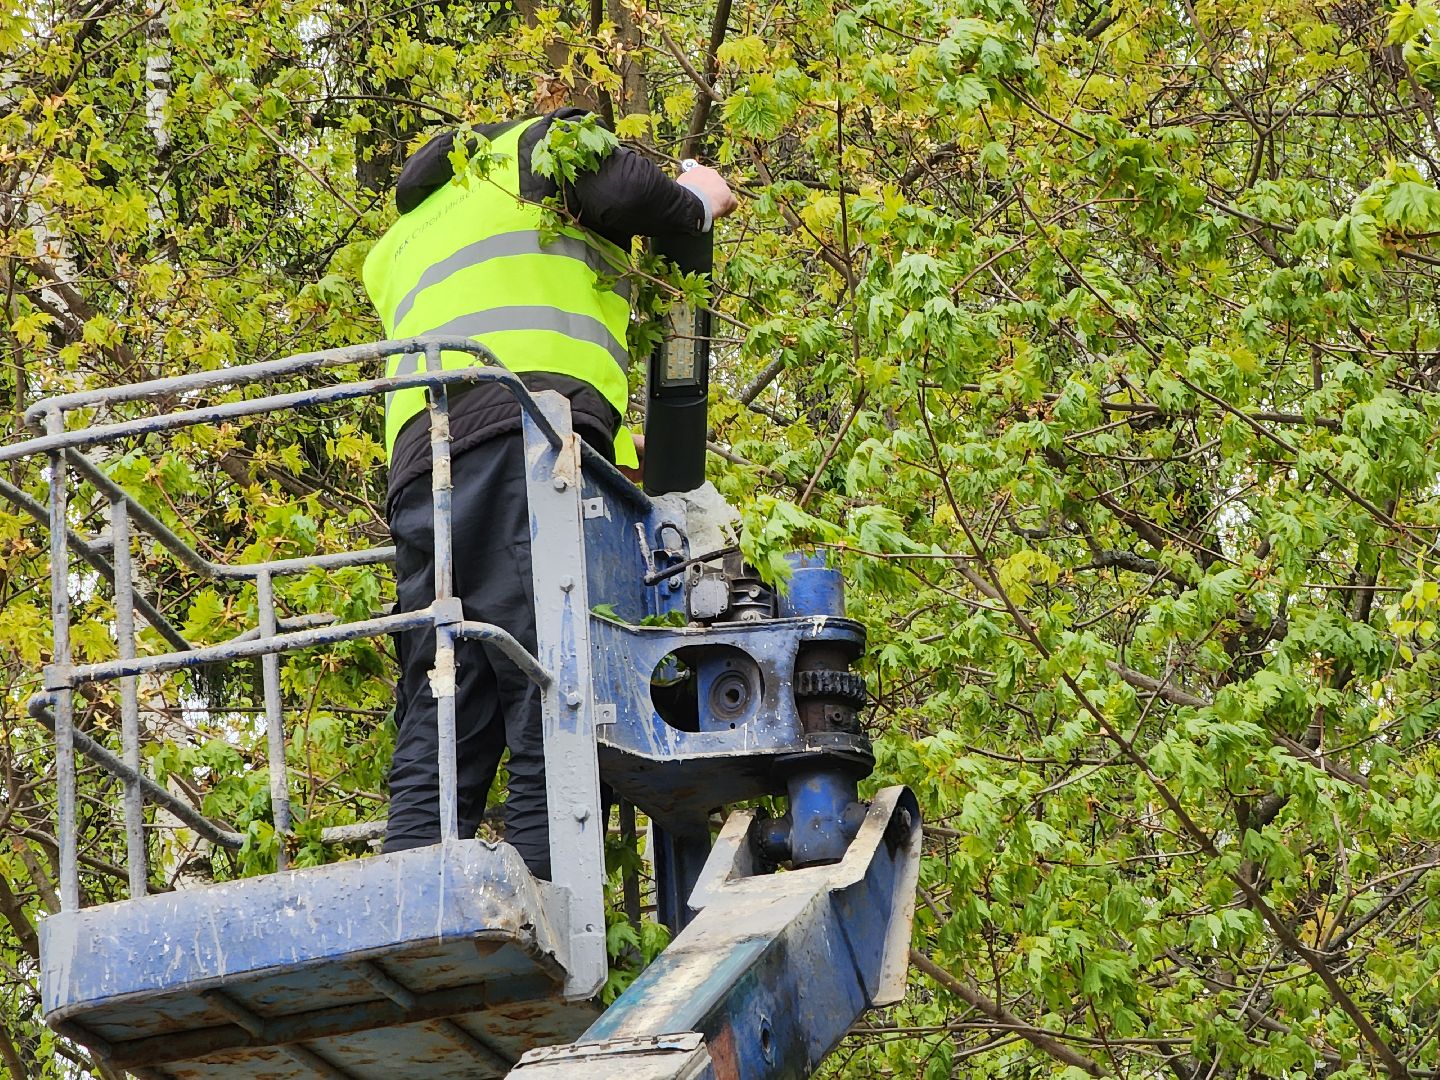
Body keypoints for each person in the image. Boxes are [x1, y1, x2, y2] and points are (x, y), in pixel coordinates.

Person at [361, 105, 736, 880]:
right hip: (525, 434)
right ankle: (549, 896)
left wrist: (614, 454)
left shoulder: (404, 237)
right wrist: (695, 201)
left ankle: (412, 892)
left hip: (424, 469)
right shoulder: (533, 148)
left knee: (446, 688)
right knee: (548, 671)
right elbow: (624, 187)